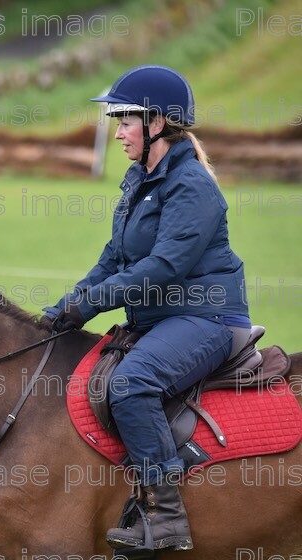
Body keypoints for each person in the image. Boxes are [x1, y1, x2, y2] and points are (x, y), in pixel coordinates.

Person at [40, 65, 251, 552]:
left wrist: (90, 304)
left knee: (132, 384)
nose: (117, 133)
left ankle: (167, 515)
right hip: (161, 319)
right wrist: (61, 310)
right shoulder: (141, 180)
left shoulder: (192, 186)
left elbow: (162, 268)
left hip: (207, 319)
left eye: (125, 122)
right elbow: (113, 259)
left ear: (157, 123)